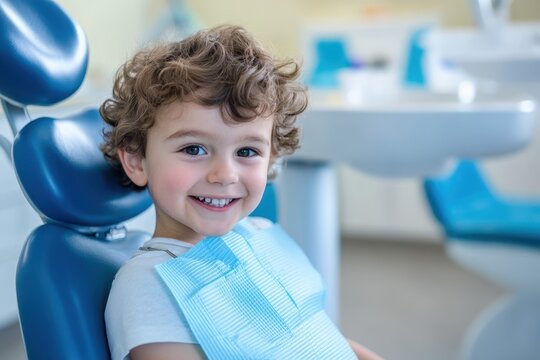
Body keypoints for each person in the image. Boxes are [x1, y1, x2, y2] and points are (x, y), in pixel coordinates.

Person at [100, 25, 383, 360]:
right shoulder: (149, 283)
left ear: (271, 160)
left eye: (247, 152)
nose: (224, 175)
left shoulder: (262, 237)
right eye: (194, 149)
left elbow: (317, 337)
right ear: (136, 159)